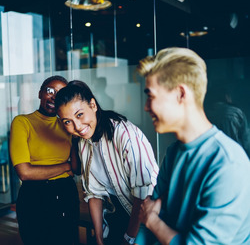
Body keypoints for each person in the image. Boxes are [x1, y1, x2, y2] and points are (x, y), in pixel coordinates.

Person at [135, 47, 250, 245]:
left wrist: (153, 221)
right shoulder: (173, 153)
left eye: (151, 96)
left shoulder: (229, 164)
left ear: (181, 93)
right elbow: (147, 217)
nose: (145, 107)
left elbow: (150, 217)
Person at [55, 80, 159, 245]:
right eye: (67, 121)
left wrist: (129, 238)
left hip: (147, 219)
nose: (77, 126)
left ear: (93, 105)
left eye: (79, 115)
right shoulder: (83, 141)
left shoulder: (125, 135)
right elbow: (94, 194)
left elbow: (144, 195)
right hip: (117, 215)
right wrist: (98, 238)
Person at [9, 76, 80, 245]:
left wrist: (75, 137)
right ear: (40, 93)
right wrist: (66, 166)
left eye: (60, 93)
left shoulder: (68, 125)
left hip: (66, 194)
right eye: (50, 91)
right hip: (34, 196)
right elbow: (25, 173)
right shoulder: (22, 122)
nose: (54, 96)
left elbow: (77, 169)